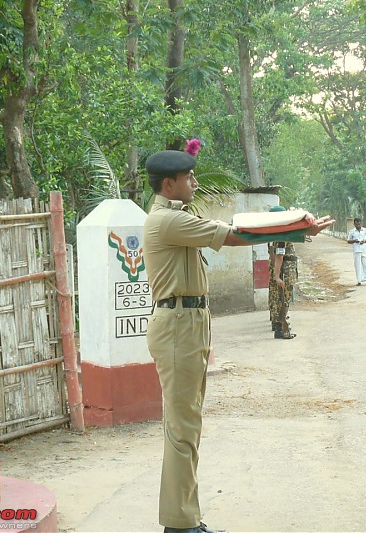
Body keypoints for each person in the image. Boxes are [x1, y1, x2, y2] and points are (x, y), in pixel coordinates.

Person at [143, 148, 333, 533]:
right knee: (182, 428)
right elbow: (236, 235)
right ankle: (180, 525)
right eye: (189, 177)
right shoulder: (166, 221)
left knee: (187, 425)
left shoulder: (177, 216)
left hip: (188, 321)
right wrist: (297, 227)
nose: (195, 182)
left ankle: (184, 519)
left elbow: (238, 229)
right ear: (169, 183)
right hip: (179, 323)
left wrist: (298, 230)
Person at [267, 207, 298, 340]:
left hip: (284, 268)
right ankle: (280, 329)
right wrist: (277, 276)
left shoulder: (277, 233)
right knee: (283, 299)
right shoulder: (282, 234)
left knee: (281, 299)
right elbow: (279, 256)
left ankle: (280, 327)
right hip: (286, 269)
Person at [347, 218, 366, 286]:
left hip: (364, 250)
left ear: (360, 223)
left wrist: (364, 241)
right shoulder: (352, 231)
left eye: (358, 224)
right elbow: (348, 241)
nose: (357, 225)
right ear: (354, 224)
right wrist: (354, 241)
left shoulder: (365, 230)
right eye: (356, 224)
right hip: (356, 250)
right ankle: (359, 281)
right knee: (357, 266)